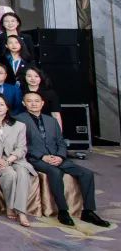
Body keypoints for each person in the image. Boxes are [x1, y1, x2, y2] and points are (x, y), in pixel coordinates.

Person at [17, 91, 110, 228]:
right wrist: (42, 156)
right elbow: (21, 144)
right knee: (55, 172)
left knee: (87, 173)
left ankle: (88, 211)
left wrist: (60, 156)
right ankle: (63, 211)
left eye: (37, 101)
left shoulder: (51, 120)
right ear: (24, 103)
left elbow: (61, 142)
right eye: (29, 101)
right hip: (36, 159)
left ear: (42, 103)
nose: (33, 104)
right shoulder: (18, 120)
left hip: (57, 157)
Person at [0, 93, 35, 227]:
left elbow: (22, 148)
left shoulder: (19, 125)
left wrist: (9, 160)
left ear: (7, 107)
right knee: (10, 174)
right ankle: (10, 206)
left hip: (16, 159)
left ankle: (21, 212)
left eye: (1, 104)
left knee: (22, 173)